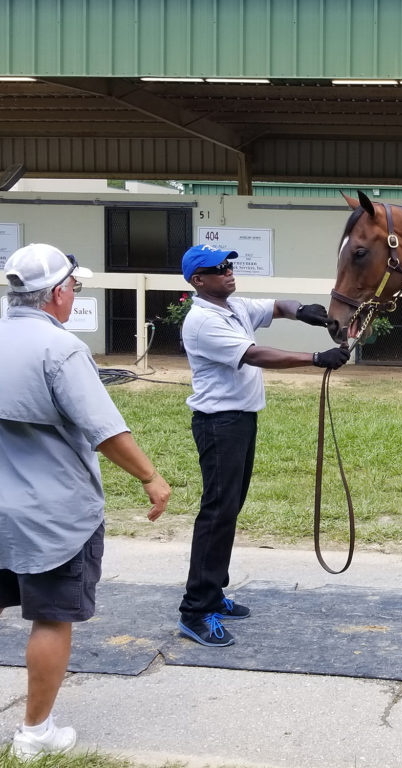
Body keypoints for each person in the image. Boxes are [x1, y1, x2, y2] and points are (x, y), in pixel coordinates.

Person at [0, 243, 172, 759]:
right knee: (50, 617)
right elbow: (105, 430)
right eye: (74, 286)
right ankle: (35, 733)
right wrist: (151, 477)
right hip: (52, 514)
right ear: (57, 292)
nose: (74, 295)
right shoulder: (62, 349)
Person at [176, 244, 348, 647]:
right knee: (217, 513)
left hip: (240, 420)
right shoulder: (203, 321)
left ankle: (214, 594)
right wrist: (315, 357)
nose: (228, 272)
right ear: (198, 281)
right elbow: (257, 355)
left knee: (229, 509)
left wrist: (305, 311)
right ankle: (195, 610)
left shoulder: (232, 307)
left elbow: (277, 306)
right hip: (219, 424)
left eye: (230, 264)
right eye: (218, 269)